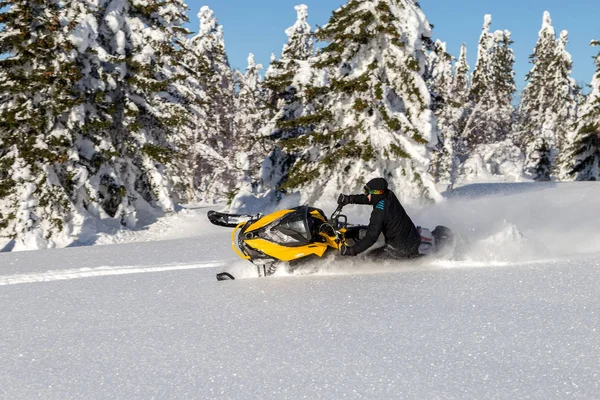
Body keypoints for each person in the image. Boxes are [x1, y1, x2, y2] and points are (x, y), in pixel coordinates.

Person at [337, 177, 421, 260]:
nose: (366, 194)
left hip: (400, 249)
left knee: (368, 258)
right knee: (360, 230)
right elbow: (371, 198)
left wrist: (351, 251)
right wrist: (350, 199)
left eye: (367, 192)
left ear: (376, 193)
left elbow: (370, 238)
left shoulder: (379, 212)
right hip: (412, 236)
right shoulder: (388, 194)